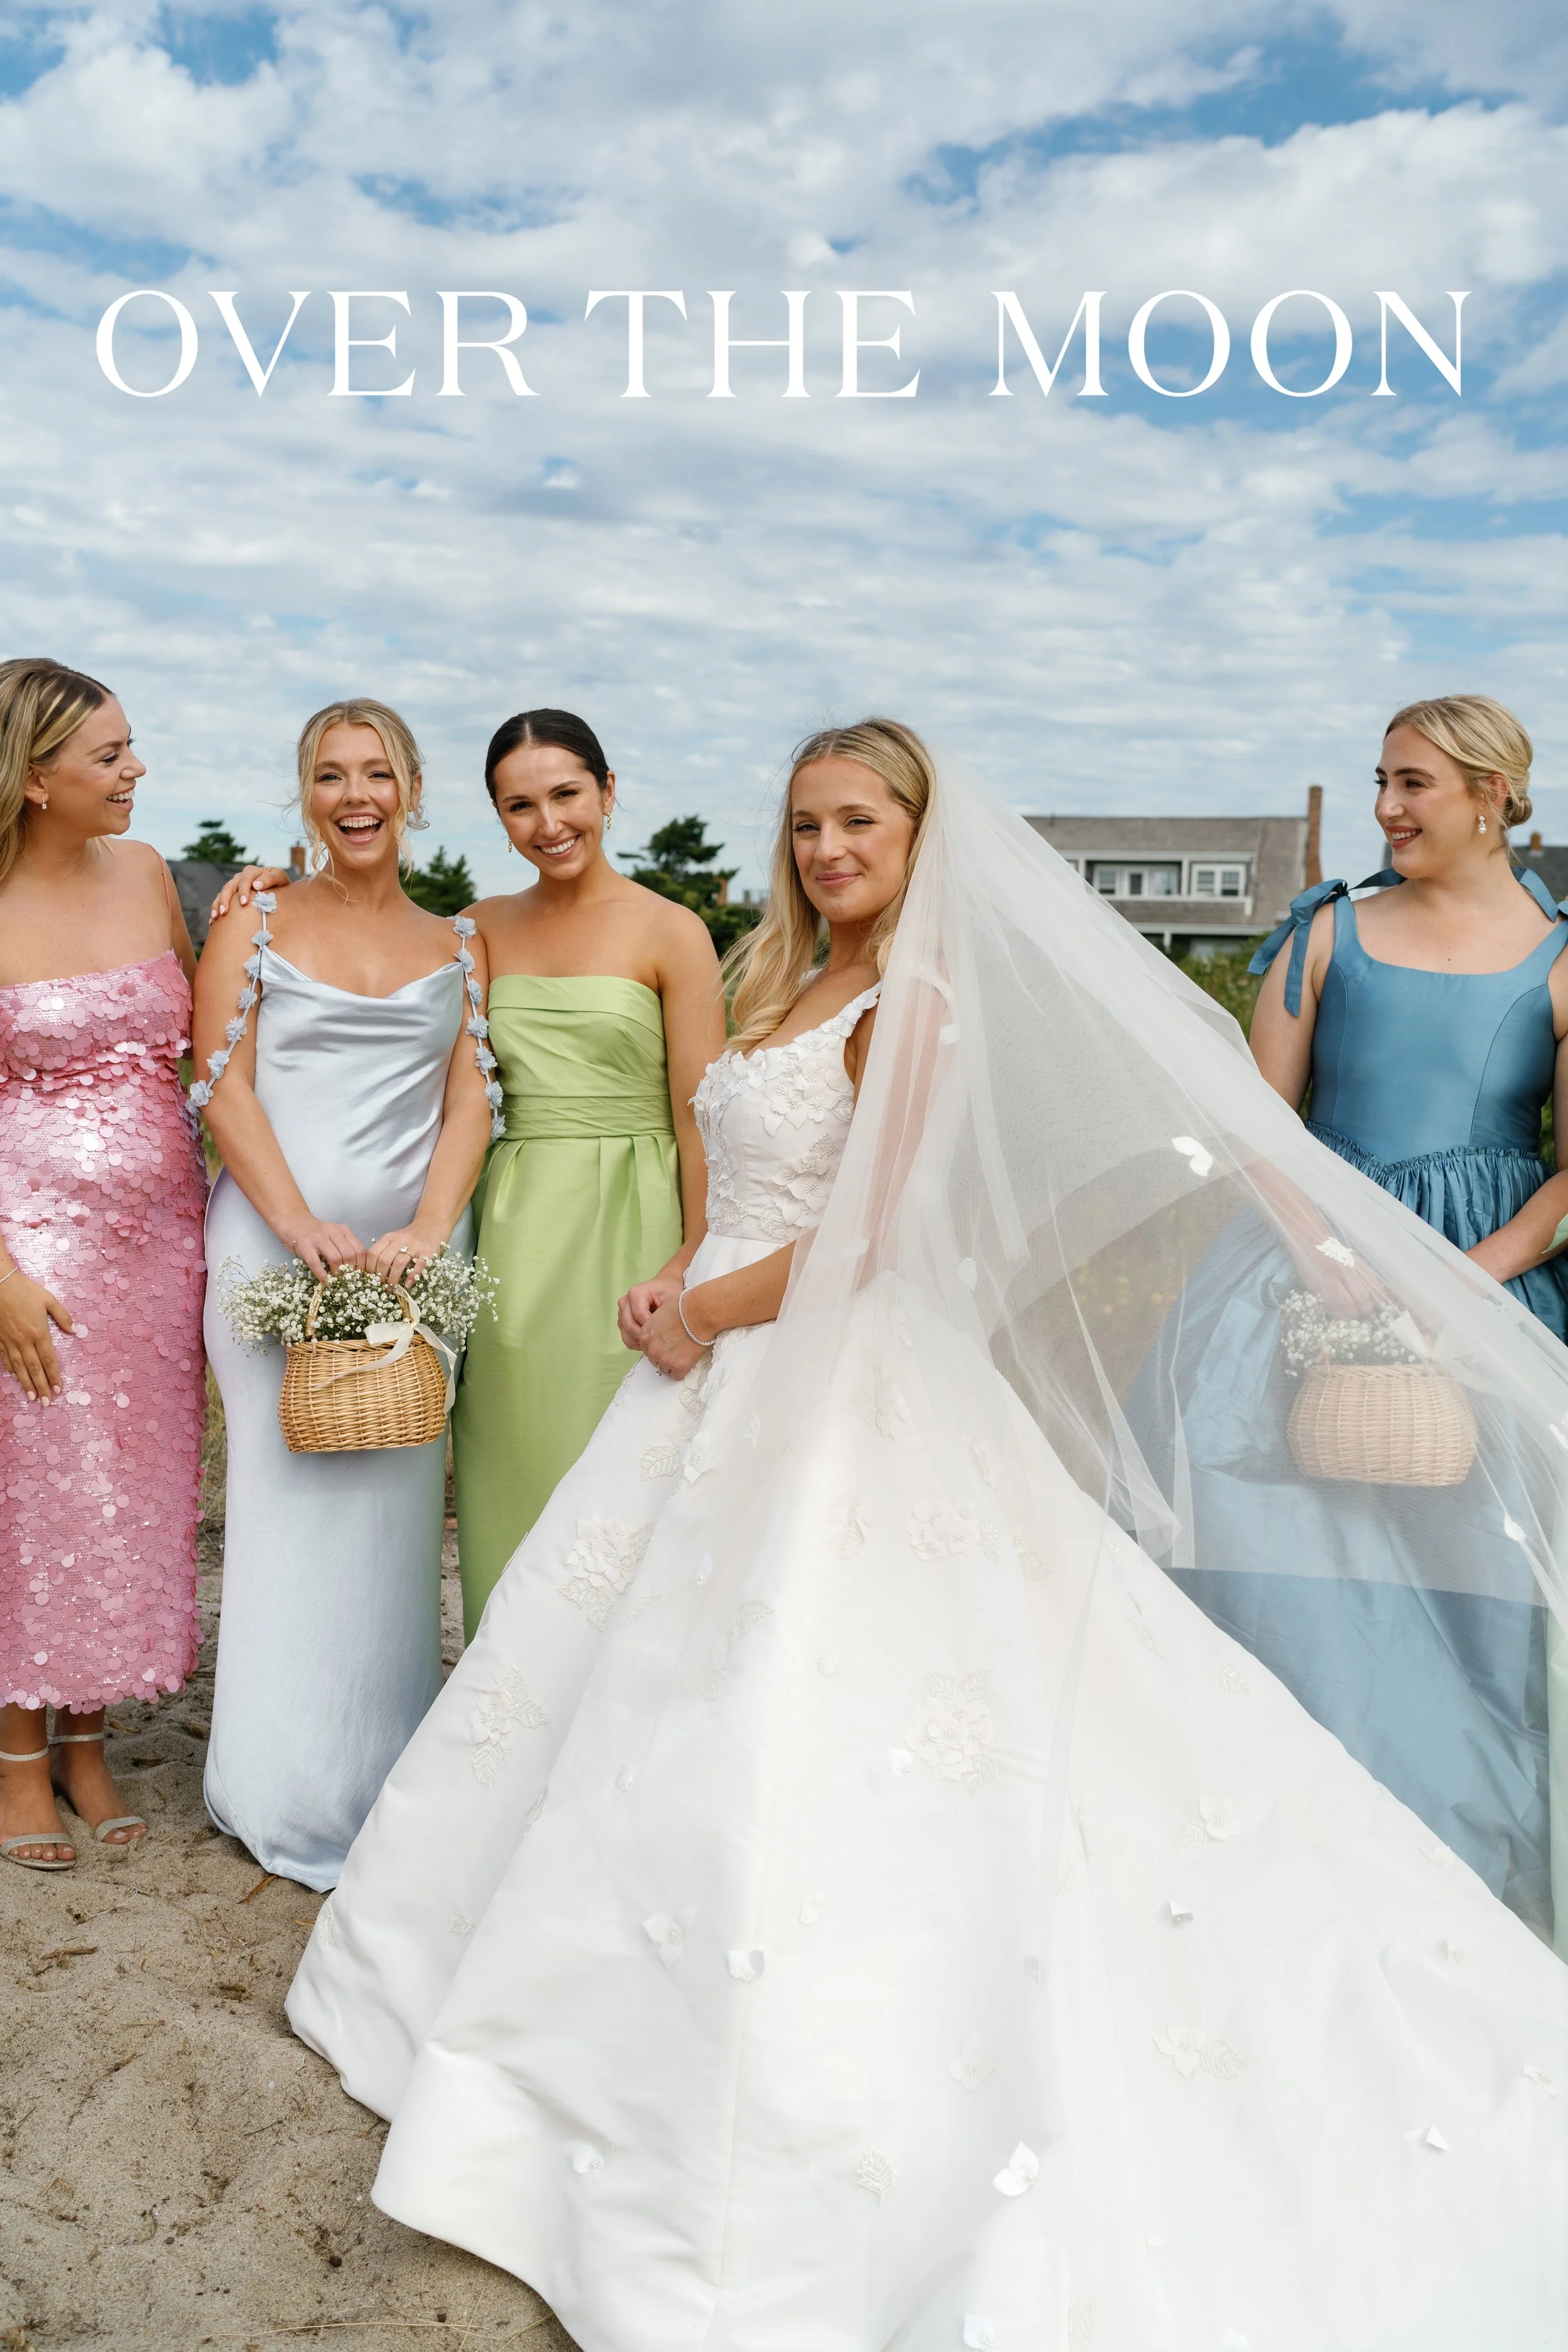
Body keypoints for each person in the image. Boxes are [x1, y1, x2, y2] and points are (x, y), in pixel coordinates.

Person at [289, 720, 1568, 2348]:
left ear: (916, 833)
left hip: (825, 1372)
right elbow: (738, 1172)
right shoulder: (778, 986)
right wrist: (676, 1271)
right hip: (712, 1360)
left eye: (861, 822)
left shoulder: (920, 998)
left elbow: (870, 1232)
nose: (829, 848)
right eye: (808, 823)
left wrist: (706, 1302)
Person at [1131, 695, 1568, 1934]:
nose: (1384, 808)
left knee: (1478, 1606)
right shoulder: (1325, 934)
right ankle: (1268, 1877)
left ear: (1491, 795)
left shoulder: (1561, 956)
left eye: (1412, 784)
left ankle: (1455, 1894)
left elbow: (1565, 1172)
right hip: (1297, 1275)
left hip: (1476, 1299)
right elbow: (1249, 1120)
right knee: (1288, 1579)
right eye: (1378, 780)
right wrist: (1322, 1245)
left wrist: (1458, 1285)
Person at [194, 697, 494, 1889]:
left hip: (416, 1258)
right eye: (331, 775)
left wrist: (426, 1229)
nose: (355, 795)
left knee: (396, 1514)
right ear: (304, 794)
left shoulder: (462, 942)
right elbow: (223, 1088)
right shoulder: (250, 920)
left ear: (413, 789)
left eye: (378, 773)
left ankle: (386, 1773)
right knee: (285, 1503)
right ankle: (275, 1782)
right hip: (275, 1247)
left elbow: (473, 1095)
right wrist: (301, 1223)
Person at [450, 709, 723, 1638]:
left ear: (609, 793)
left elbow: (700, 1119)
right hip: (517, 1227)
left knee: (625, 1474)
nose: (547, 822)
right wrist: (277, 885)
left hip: (637, 1222)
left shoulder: (672, 930)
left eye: (566, 793)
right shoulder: (476, 928)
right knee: (514, 1461)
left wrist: (694, 1259)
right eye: (519, 805)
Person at [0, 657, 207, 1871]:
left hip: (157, 1240)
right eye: (111, 755)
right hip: (33, 1250)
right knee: (33, 1500)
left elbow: (198, 1044)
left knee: (122, 1503)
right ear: (35, 779)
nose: (136, 771)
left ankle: (88, 1739)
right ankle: (19, 1757)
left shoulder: (144, 874)